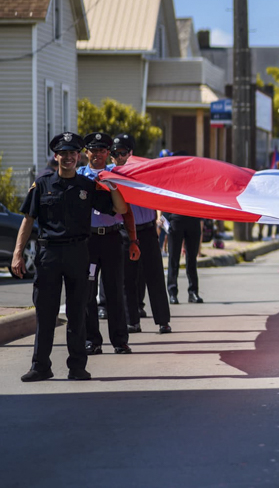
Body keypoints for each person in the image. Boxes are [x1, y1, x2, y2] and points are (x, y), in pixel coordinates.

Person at [12, 132, 129, 382]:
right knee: (45, 312)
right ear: (56, 156)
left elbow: (119, 208)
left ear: (78, 156)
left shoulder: (87, 187)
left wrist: (113, 186)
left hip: (78, 253)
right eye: (63, 153)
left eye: (72, 153)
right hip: (49, 254)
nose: (68, 157)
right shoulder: (42, 185)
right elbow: (28, 219)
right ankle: (40, 366)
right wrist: (17, 254)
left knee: (78, 312)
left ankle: (77, 367)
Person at [79, 132, 140, 356]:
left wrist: (133, 241)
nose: (97, 154)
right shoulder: (79, 176)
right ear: (86, 152)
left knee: (114, 291)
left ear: (108, 153)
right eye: (93, 150)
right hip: (89, 241)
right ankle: (92, 340)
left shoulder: (116, 175)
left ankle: (120, 340)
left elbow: (128, 211)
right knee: (88, 291)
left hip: (113, 238)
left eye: (102, 150)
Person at [111, 134, 172, 335]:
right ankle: (132, 321)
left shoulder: (143, 172)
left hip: (146, 230)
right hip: (124, 233)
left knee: (154, 275)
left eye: (122, 153)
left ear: (131, 153)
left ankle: (163, 320)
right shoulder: (110, 175)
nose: (119, 157)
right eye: (115, 154)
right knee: (128, 278)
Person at [163, 152, 204, 304]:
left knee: (191, 259)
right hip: (176, 220)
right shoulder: (172, 177)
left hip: (192, 219)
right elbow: (165, 198)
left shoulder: (195, 178)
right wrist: (165, 219)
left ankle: (193, 292)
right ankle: (172, 292)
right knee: (173, 258)